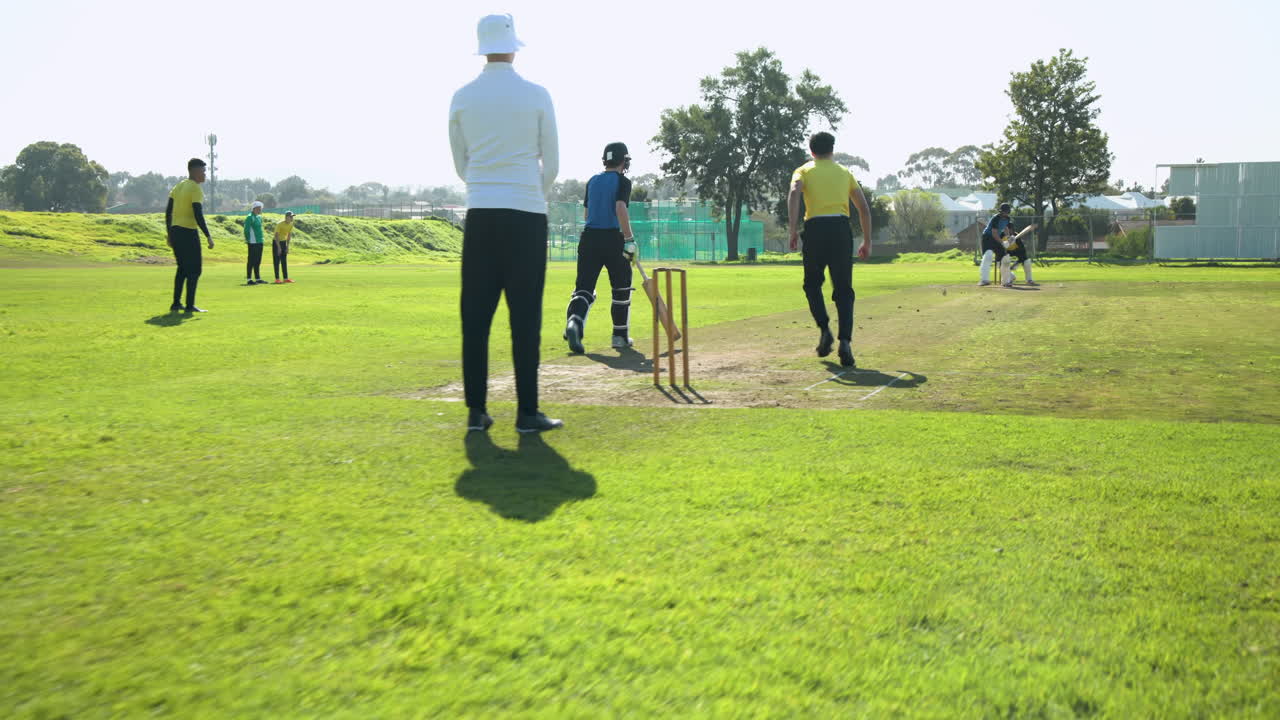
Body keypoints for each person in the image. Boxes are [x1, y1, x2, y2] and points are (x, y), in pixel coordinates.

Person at [449, 13, 561, 433]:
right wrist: (532, 193)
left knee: (476, 318)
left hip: (481, 213)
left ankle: (476, 412)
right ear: (513, 47)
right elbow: (552, 162)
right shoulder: (537, 95)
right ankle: (527, 413)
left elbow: (461, 164)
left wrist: (485, 188)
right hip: (526, 214)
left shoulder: (462, 97)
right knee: (525, 318)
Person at [787, 131, 872, 368]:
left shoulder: (803, 170)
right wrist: (867, 241)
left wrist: (792, 230)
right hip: (840, 230)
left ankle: (825, 330)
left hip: (815, 230)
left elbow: (794, 192)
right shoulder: (845, 173)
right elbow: (864, 209)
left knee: (812, 284)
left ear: (811, 151)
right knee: (844, 289)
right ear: (832, 149)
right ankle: (845, 342)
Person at [564, 142, 636, 354]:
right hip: (613, 239)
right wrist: (629, 239)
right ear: (624, 161)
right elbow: (620, 207)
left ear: (605, 160)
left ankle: (574, 322)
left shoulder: (592, 181)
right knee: (621, 287)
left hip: (589, 238)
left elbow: (587, 214)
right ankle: (619, 337)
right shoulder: (623, 181)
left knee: (584, 288)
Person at [166, 158, 214, 312]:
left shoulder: (178, 186)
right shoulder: (195, 188)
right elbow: (197, 213)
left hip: (176, 231)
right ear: (194, 171)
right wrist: (208, 235)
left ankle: (176, 303)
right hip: (188, 232)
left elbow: (168, 212)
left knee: (182, 268)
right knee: (195, 270)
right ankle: (189, 305)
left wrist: (169, 233)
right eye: (203, 171)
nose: (205, 174)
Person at [979, 202, 1012, 287]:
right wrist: (1002, 242)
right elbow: (994, 233)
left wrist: (1008, 237)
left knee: (1005, 258)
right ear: (1001, 211)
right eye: (1003, 212)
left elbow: (1005, 228)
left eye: (1006, 212)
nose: (1004, 214)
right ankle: (984, 280)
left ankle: (1006, 281)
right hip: (987, 237)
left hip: (996, 237)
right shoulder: (996, 218)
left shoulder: (1008, 219)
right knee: (988, 255)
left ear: (1008, 212)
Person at [243, 201, 267, 284]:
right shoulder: (250, 217)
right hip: (252, 242)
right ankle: (249, 279)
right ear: (254, 208)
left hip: (260, 241)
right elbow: (246, 230)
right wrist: (248, 239)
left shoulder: (259, 217)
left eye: (260, 208)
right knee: (251, 260)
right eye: (259, 208)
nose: (260, 210)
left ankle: (257, 278)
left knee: (258, 260)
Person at [273, 211, 295, 283]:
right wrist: (278, 247)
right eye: (291, 217)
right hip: (276, 243)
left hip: (283, 242)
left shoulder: (291, 224)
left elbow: (289, 236)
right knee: (277, 261)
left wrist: (287, 246)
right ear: (286, 217)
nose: (292, 218)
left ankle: (285, 278)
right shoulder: (280, 224)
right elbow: (276, 236)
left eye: (292, 217)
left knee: (284, 261)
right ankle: (277, 279)